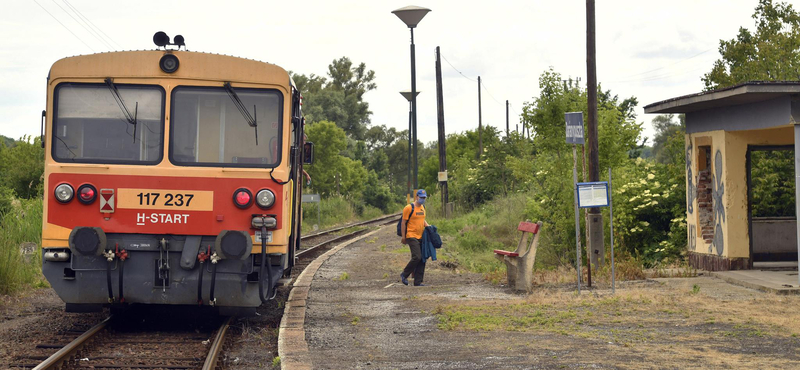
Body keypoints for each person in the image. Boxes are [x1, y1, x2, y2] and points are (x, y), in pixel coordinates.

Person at [400, 189, 430, 286]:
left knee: (422, 258)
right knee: (417, 256)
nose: (422, 199)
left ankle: (418, 281)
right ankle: (404, 274)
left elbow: (423, 220)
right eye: (421, 197)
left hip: (421, 236)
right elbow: (403, 223)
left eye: (424, 198)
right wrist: (403, 237)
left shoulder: (423, 208)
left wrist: (429, 228)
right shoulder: (409, 208)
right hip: (411, 235)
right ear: (416, 197)